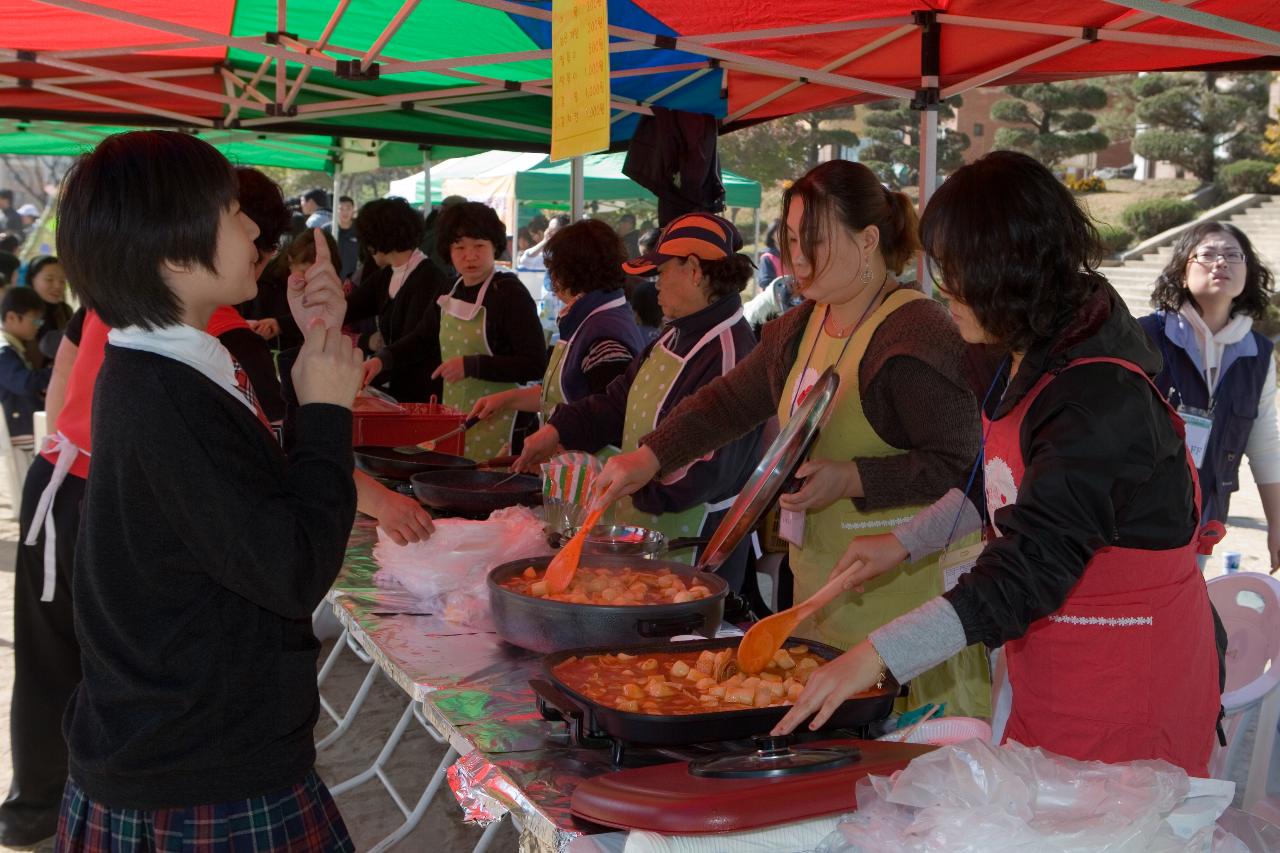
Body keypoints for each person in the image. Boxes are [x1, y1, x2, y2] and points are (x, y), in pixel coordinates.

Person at [773, 151, 1220, 778]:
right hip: (1058, 666)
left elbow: (1028, 568)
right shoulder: (1023, 346)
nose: (941, 288)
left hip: (1130, 683)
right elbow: (995, 484)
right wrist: (903, 543)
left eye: (954, 272)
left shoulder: (1098, 400)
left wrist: (878, 654)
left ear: (1006, 273)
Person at [53, 130, 360, 849]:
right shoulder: (162, 389)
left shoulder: (169, 364)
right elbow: (292, 568)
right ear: (170, 246)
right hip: (196, 777)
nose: (256, 225)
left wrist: (313, 341)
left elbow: (248, 508)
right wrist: (324, 412)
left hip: (187, 749)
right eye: (232, 211)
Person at [592, 162, 988, 716]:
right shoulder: (799, 325)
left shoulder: (917, 333)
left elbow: (969, 472)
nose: (796, 258)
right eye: (792, 239)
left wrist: (855, 477)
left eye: (815, 241)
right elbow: (728, 402)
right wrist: (650, 455)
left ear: (869, 240)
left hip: (907, 613)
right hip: (819, 597)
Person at [515, 213, 764, 590]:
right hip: (644, 536)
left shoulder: (730, 351)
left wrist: (633, 480)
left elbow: (709, 470)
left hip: (692, 552)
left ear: (694, 270)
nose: (655, 284)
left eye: (662, 271)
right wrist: (559, 428)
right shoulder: (672, 336)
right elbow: (616, 401)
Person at [1137, 222, 1280, 569]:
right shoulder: (1145, 336)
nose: (1221, 263)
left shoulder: (1257, 354)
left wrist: (1276, 524)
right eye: (1209, 254)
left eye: (1233, 255)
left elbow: (1265, 444)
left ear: (1248, 273)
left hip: (1204, 521)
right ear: (1182, 271)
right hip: (1133, 517)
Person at [470, 218, 645, 427]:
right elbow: (562, 394)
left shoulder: (603, 334)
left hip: (590, 459)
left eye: (554, 268)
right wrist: (506, 400)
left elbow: (607, 416)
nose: (551, 277)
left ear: (571, 272)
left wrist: (554, 435)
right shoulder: (591, 317)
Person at [428, 201, 547, 459]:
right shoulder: (450, 290)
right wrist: (384, 359)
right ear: (448, 252)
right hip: (457, 418)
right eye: (460, 248)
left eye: (479, 246)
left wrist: (472, 366)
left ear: (494, 247)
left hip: (505, 426)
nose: (470, 256)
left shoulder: (509, 293)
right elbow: (422, 336)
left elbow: (535, 364)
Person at [349, 196, 450, 403]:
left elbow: (417, 341)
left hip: (421, 396)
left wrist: (380, 361)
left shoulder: (430, 279)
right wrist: (280, 323)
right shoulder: (386, 275)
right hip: (392, 390)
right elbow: (347, 308)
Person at [0, 287, 51, 446]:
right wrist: (56, 373)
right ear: (12, 317)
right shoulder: (2, 349)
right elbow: (23, 383)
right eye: (35, 320)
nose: (38, 326)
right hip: (17, 433)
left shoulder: (13, 347)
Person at [24, 255, 72, 368]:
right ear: (32, 279)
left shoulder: (66, 311)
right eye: (49, 279)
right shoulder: (21, 313)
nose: (58, 286)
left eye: (62, 281)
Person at [335, 195, 360, 281]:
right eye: (341, 209)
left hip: (354, 281)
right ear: (335, 210)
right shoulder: (327, 229)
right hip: (332, 279)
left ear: (353, 209)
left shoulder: (360, 230)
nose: (345, 212)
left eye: (348, 208)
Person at [757, 219, 783, 288]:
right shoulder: (767, 258)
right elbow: (765, 282)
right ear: (772, 235)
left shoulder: (794, 256)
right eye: (780, 231)